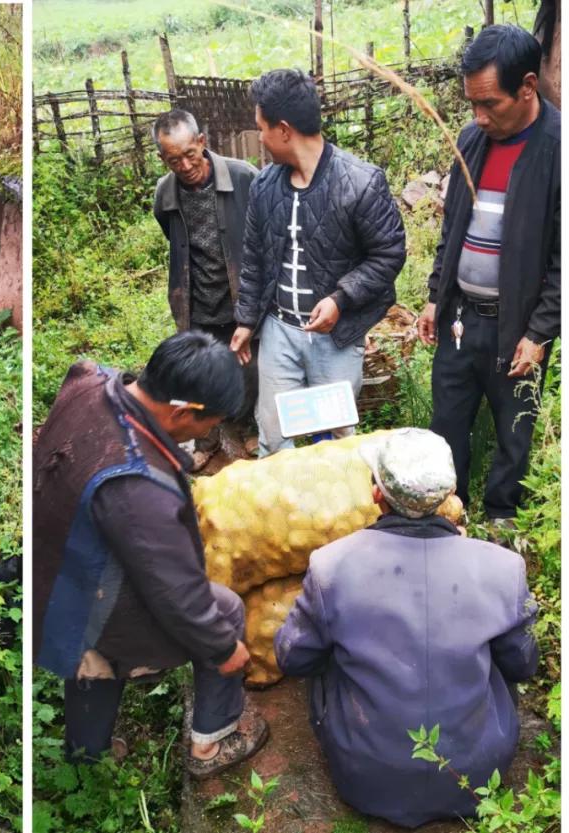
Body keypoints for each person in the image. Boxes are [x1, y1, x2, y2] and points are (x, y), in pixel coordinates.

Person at [274, 428, 537, 828]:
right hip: (479, 777)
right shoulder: (503, 567)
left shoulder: (332, 565)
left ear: (377, 493)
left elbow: (293, 659)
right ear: (449, 494)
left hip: (366, 778)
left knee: (321, 647)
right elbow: (522, 665)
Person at [33, 331, 268, 778]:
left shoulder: (87, 380)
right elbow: (178, 592)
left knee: (95, 661)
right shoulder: (139, 488)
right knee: (225, 611)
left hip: (54, 568)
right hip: (93, 600)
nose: (209, 432)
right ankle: (212, 743)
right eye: (209, 423)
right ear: (182, 411)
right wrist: (223, 648)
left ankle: (87, 756)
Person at [417, 25, 560, 533]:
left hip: (515, 329)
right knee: (447, 422)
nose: (478, 116)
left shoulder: (557, 151)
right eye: (471, 104)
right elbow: (452, 226)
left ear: (526, 87)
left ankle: (501, 522)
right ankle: (443, 514)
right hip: (459, 321)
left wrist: (539, 332)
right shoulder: (472, 141)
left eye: (489, 104)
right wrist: (436, 296)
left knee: (512, 434)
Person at [230, 69, 405, 456]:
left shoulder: (360, 182)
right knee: (274, 439)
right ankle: (280, 513)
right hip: (279, 331)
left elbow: (389, 253)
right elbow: (255, 260)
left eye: (261, 128)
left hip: (335, 337)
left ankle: (335, 515)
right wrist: (246, 321)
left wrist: (341, 299)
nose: (259, 137)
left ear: (285, 130)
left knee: (337, 442)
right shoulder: (264, 186)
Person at [153, 109, 260, 428]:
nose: (185, 166)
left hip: (242, 302)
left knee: (250, 372)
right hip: (198, 307)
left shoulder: (244, 177)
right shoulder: (165, 193)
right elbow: (173, 237)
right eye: (174, 161)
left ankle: (246, 429)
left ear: (202, 141)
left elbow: (267, 237)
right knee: (202, 374)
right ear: (163, 159)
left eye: (190, 154)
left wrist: (251, 311)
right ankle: (209, 434)